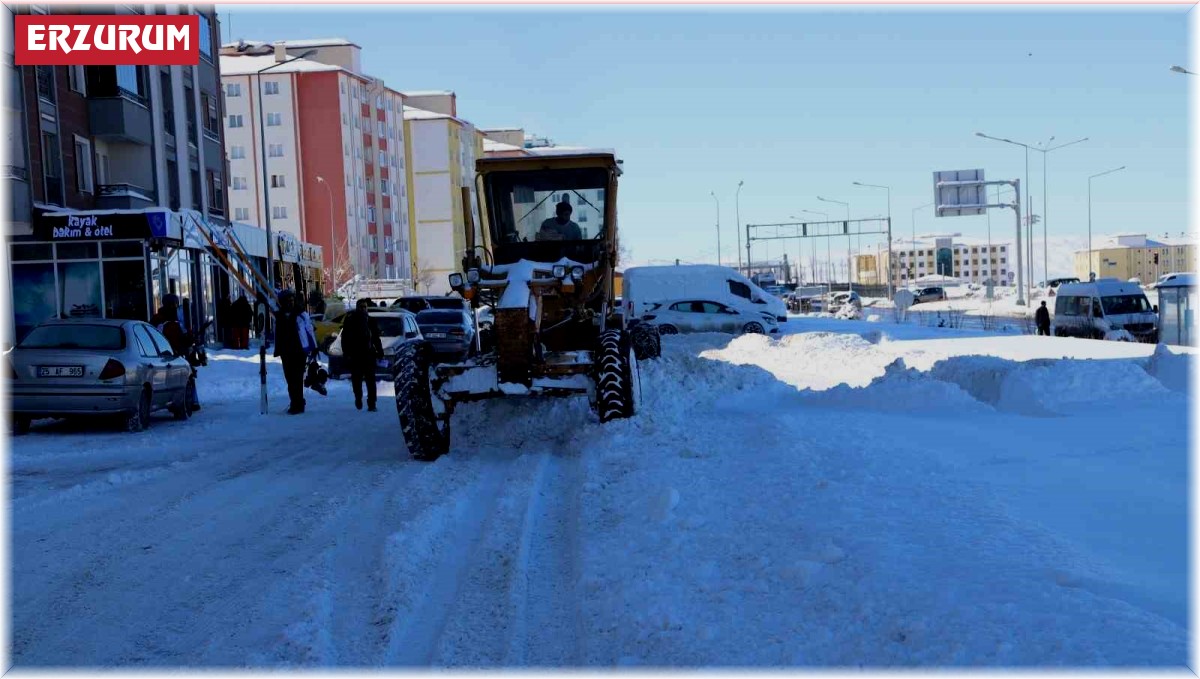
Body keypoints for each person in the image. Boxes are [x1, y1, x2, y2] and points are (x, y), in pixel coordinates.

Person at [273, 289, 318, 415]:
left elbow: (309, 331)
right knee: (289, 378)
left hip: (299, 351)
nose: (290, 303)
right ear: (282, 302)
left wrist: (313, 348)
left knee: (297, 378)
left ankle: (297, 404)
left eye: (292, 300)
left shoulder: (301, 314)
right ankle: (296, 401)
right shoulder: (279, 316)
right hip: (285, 352)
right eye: (287, 301)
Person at [339, 298, 384, 411]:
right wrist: (346, 352)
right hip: (359, 355)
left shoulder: (367, 320)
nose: (363, 309)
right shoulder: (353, 320)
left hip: (364, 355)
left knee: (366, 380)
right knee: (361, 380)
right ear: (358, 308)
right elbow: (345, 338)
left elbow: (375, 337)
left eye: (365, 307)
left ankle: (368, 402)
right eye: (362, 307)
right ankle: (363, 400)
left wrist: (380, 351)